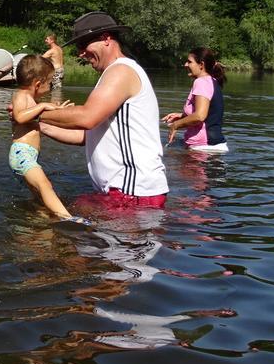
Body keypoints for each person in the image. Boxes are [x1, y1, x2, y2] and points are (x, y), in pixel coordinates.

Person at [37, 12, 169, 208]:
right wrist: (39, 125)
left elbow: (87, 117)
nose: (81, 53)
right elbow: (87, 135)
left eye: (84, 45)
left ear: (106, 39)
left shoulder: (121, 71)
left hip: (133, 193)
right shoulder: (111, 73)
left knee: (58, 220)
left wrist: (31, 111)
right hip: (123, 192)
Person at [10, 55, 78, 218]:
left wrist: (58, 110)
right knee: (45, 185)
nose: (51, 86)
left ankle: (43, 216)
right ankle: (68, 218)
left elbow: (35, 120)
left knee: (40, 195)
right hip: (22, 154)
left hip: (27, 155)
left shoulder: (30, 99)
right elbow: (19, 116)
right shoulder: (21, 95)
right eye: (50, 83)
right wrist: (42, 105)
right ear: (38, 84)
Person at [163, 48, 229, 152]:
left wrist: (176, 125)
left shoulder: (201, 82)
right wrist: (182, 116)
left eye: (189, 62)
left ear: (201, 65)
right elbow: (209, 113)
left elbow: (200, 116)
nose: (185, 65)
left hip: (204, 149)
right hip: (212, 147)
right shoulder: (211, 81)